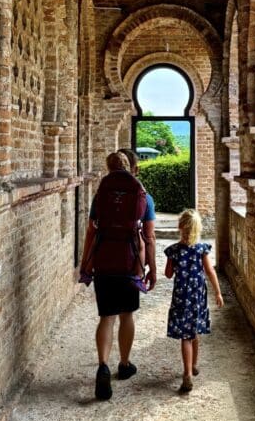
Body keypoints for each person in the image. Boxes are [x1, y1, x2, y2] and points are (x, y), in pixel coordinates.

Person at [79, 152, 157, 401]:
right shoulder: (143, 195)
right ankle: (124, 363)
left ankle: (103, 365)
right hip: (129, 261)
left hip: (103, 259)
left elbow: (91, 231)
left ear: (108, 168)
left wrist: (85, 264)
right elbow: (150, 237)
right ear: (132, 168)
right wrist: (151, 268)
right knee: (127, 315)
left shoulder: (100, 194)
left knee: (106, 317)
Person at [164, 208, 223, 395]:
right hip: (197, 296)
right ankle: (194, 365)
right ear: (198, 229)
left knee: (186, 336)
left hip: (182, 297)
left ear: (180, 226)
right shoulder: (201, 249)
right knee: (194, 331)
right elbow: (210, 272)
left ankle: (188, 372)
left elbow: (167, 274)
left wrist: (173, 263)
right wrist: (218, 293)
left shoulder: (174, 251)